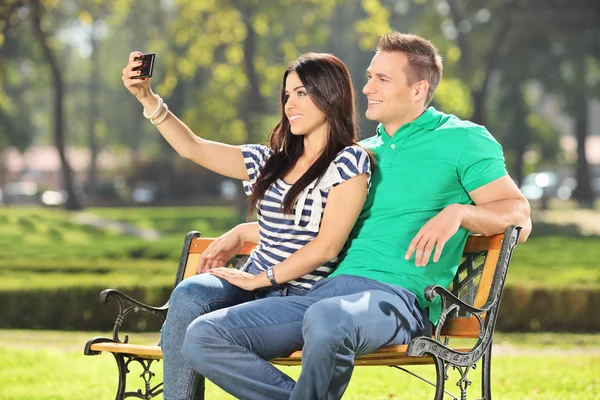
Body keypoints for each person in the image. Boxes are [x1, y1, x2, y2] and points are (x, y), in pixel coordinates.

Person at [182, 32, 533, 400]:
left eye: (382, 79)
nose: (366, 88)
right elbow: (314, 225)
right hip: (326, 294)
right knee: (204, 335)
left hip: (399, 300)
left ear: (418, 90)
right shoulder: (357, 156)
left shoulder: (463, 139)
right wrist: (243, 231)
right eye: (369, 76)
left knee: (327, 319)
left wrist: (459, 213)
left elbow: (519, 215)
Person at [121, 52, 372, 399]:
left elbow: (327, 245)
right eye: (287, 95)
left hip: (299, 297)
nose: (290, 104)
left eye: (302, 93)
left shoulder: (348, 162)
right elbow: (193, 147)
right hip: (251, 283)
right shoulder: (268, 160)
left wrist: (260, 277)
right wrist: (147, 98)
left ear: (331, 95)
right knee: (189, 293)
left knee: (202, 335)